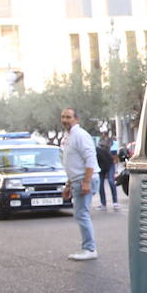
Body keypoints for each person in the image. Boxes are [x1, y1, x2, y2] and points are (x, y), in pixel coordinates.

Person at [59, 107, 99, 260]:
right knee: (81, 214)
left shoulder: (80, 135)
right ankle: (88, 247)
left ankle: (90, 249)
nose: (65, 120)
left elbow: (90, 159)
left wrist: (87, 182)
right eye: (63, 117)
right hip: (77, 180)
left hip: (84, 179)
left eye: (68, 117)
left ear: (76, 119)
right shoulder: (69, 136)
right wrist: (68, 186)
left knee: (82, 214)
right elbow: (72, 164)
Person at [96, 134, 119, 210]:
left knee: (111, 181)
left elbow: (110, 161)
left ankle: (115, 203)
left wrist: (113, 172)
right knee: (100, 185)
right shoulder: (94, 152)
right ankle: (103, 204)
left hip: (109, 165)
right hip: (101, 168)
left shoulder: (102, 152)